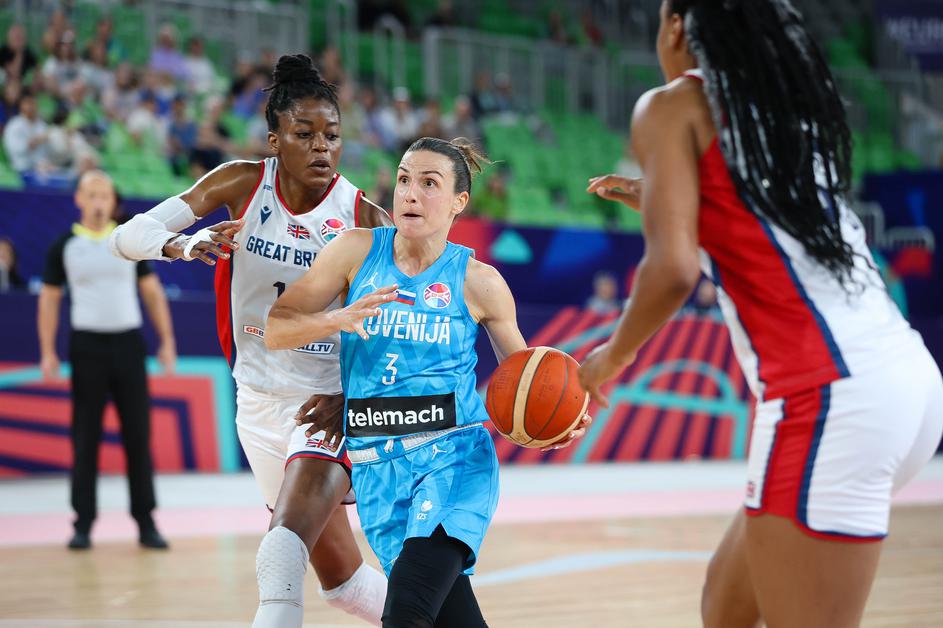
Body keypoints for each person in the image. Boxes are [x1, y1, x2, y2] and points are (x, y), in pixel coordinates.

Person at [579, 2, 943, 627]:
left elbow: (673, 270)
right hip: (904, 381)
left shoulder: (670, 105)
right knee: (726, 606)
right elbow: (751, 213)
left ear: (675, 27)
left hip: (828, 397)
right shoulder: (777, 110)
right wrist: (660, 194)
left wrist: (610, 358)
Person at [108, 54, 389, 626]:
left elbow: (398, 331)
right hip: (256, 404)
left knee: (280, 558)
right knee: (344, 584)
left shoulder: (364, 216)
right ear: (274, 140)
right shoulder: (241, 182)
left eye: (332, 135)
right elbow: (127, 236)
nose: (321, 147)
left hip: (325, 407)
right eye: (304, 134)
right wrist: (185, 245)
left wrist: (358, 399)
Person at [265, 136, 590, 627]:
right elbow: (276, 328)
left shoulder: (479, 281)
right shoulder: (354, 250)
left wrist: (557, 420)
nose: (410, 193)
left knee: (406, 613)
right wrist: (336, 319)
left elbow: (526, 382)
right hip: (376, 468)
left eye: (429, 183)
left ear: (460, 201)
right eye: (403, 179)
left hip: (452, 460)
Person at [38, 170, 175, 550]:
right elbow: (49, 300)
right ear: (79, 200)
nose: (98, 201)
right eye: (91, 195)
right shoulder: (64, 245)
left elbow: (152, 292)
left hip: (128, 346)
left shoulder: (128, 241)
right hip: (87, 348)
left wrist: (167, 341)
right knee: (85, 437)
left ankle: (146, 521)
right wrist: (47, 351)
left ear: (113, 201)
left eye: (104, 195)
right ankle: (82, 522)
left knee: (138, 436)